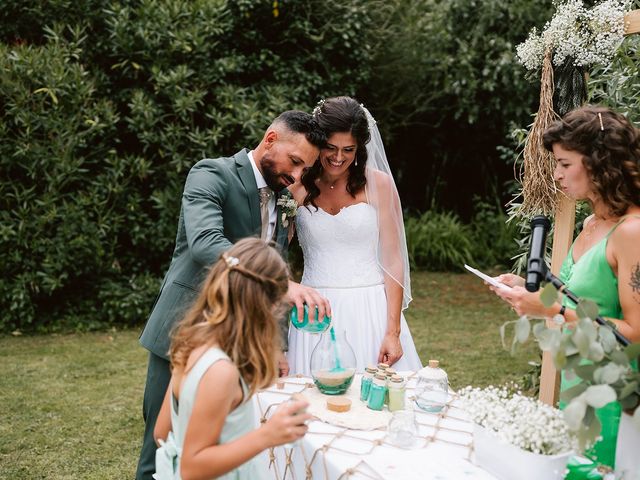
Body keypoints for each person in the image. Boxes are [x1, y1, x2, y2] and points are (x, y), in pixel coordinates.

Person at [136, 111, 330, 480]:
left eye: (304, 170)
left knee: (219, 439)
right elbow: (206, 244)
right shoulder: (212, 173)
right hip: (185, 330)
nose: (296, 175)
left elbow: (278, 262)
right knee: (159, 449)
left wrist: (276, 343)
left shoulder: (282, 196)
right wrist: (279, 283)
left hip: (240, 340)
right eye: (294, 162)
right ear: (270, 139)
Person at [490, 105, 640, 468]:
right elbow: (585, 300)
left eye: (565, 163)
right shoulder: (591, 223)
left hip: (617, 394)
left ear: (599, 162)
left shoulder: (632, 232)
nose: (556, 174)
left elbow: (634, 335)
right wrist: (531, 296)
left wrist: (552, 310)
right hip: (579, 381)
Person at [153, 238, 312, 480]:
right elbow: (191, 468)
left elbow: (162, 432)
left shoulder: (192, 344)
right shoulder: (221, 371)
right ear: (265, 305)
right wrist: (268, 435)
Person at [287, 96, 422, 374]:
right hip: (312, 311)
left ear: (359, 148)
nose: (338, 158)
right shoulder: (296, 188)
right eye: (330, 148)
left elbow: (393, 260)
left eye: (348, 149)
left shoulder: (379, 185)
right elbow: (273, 250)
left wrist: (393, 331)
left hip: (369, 308)